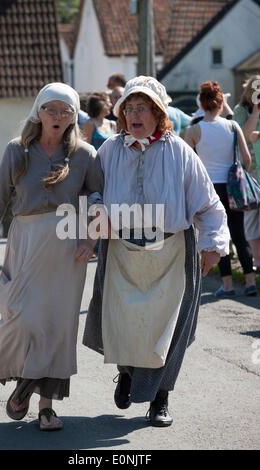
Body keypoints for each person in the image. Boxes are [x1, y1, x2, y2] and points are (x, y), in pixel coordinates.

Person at [83, 76, 229, 428]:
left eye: (143, 108)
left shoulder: (178, 151)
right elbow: (93, 191)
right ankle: (128, 373)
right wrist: (97, 210)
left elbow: (208, 204)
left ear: (159, 113)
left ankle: (160, 399)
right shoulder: (110, 150)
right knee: (124, 323)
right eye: (129, 108)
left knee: (167, 329)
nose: (134, 115)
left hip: (172, 250)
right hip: (121, 249)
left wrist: (213, 245)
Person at [0, 82, 102, 431]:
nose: (57, 116)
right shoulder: (18, 151)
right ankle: (26, 380)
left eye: (65, 111)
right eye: (51, 109)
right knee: (21, 318)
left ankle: (46, 407)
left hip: (66, 248)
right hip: (25, 242)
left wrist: (90, 241)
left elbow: (98, 202)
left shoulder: (85, 155)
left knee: (58, 327)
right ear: (38, 112)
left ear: (74, 116)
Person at [185, 81, 256, 296]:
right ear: (220, 102)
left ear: (202, 102)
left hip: (209, 189)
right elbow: (246, 160)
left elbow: (187, 163)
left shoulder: (194, 129)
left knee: (219, 235)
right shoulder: (232, 127)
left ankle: (227, 286)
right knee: (239, 235)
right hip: (232, 186)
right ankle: (250, 281)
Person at [233, 75, 260, 273]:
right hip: (250, 171)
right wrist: (256, 112)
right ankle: (257, 261)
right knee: (251, 216)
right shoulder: (241, 111)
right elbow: (245, 135)